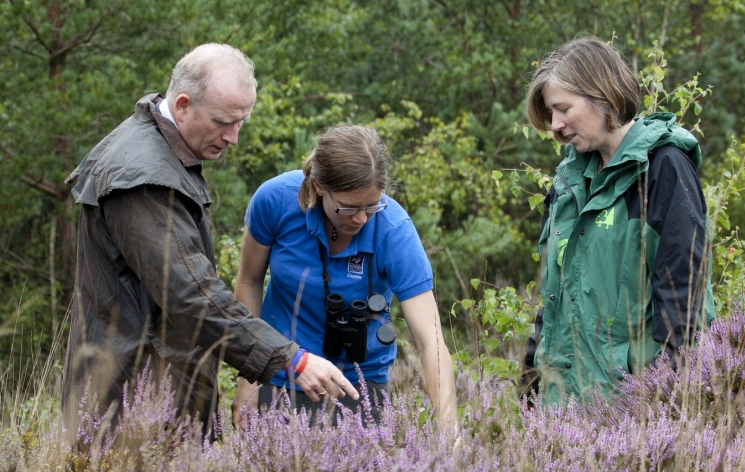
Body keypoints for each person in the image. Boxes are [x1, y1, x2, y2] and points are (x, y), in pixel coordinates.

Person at [62, 43, 357, 442]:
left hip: (153, 395)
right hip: (130, 409)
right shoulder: (144, 179)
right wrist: (292, 360)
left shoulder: (160, 150)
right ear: (182, 105)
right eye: (223, 122)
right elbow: (191, 295)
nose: (233, 137)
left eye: (241, 122)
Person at [523, 36, 715, 406]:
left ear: (603, 96)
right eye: (550, 114)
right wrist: (528, 396)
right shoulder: (567, 184)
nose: (555, 125)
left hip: (630, 416)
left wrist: (665, 408)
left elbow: (684, 310)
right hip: (558, 415)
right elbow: (551, 305)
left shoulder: (663, 170)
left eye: (563, 108)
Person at [231, 125, 458, 426]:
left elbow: (431, 341)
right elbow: (249, 281)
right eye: (349, 208)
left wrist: (449, 431)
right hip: (281, 376)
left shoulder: (393, 229)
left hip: (361, 385)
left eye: (371, 205)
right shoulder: (275, 201)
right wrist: (250, 378)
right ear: (320, 186)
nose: (361, 218)